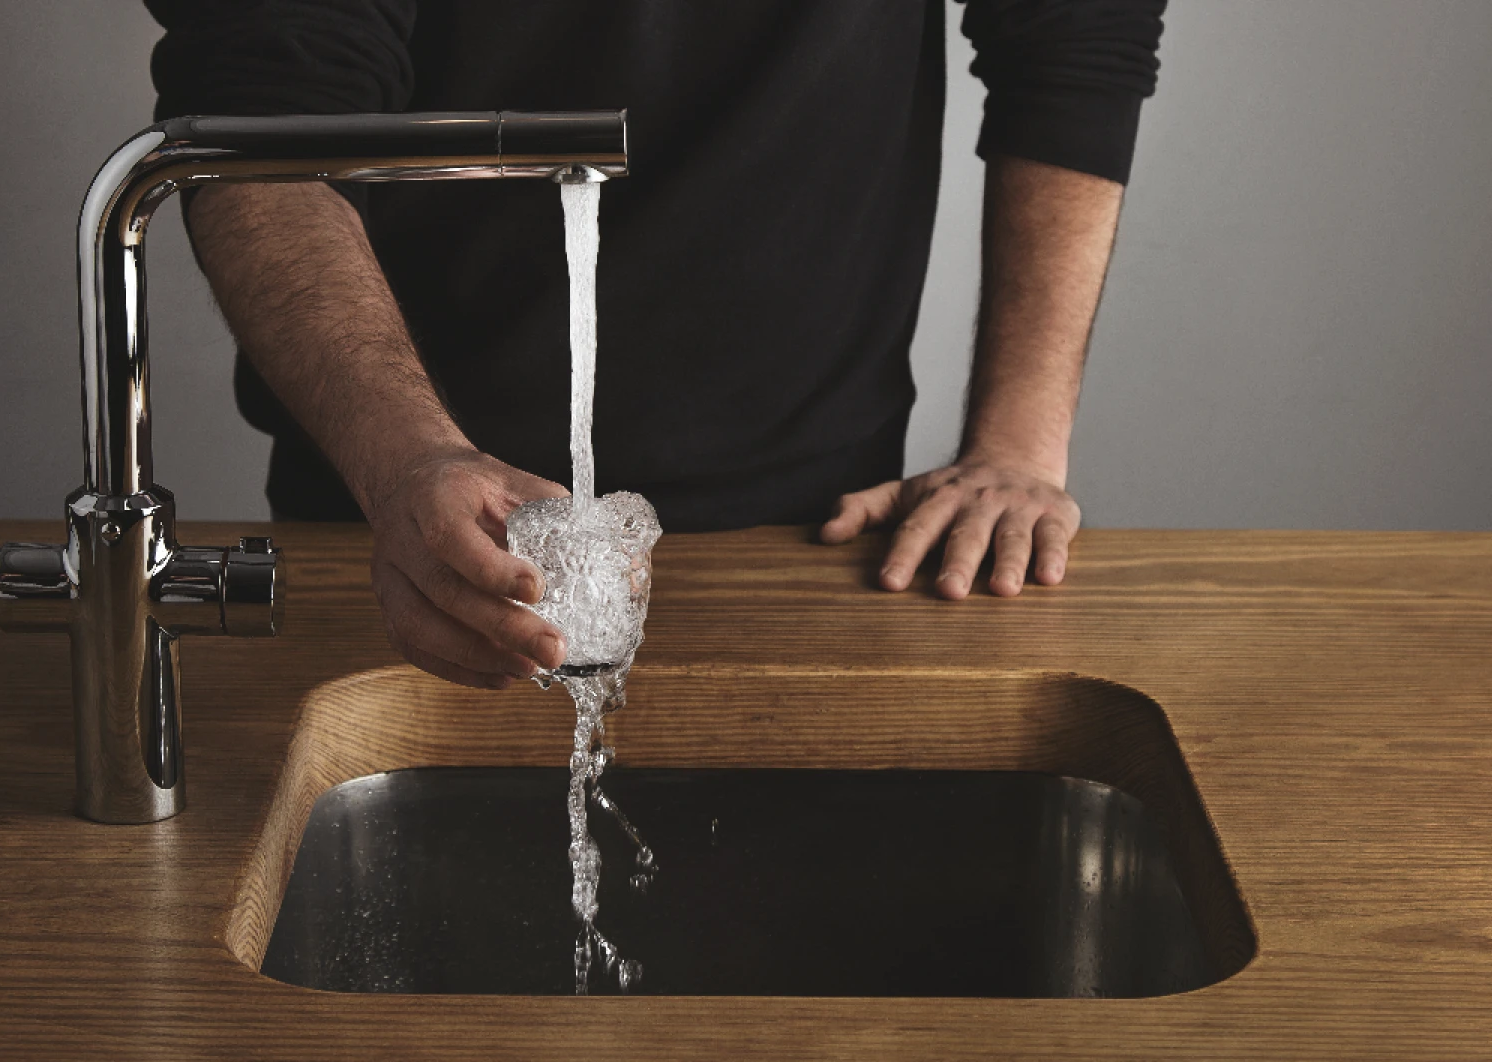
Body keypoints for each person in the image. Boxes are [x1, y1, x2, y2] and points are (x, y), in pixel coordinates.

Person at [145, 0, 1165, 688]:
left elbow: (1074, 41)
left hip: (823, 549)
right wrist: (408, 458)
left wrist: (1020, 445)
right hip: (407, 540)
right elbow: (259, 129)